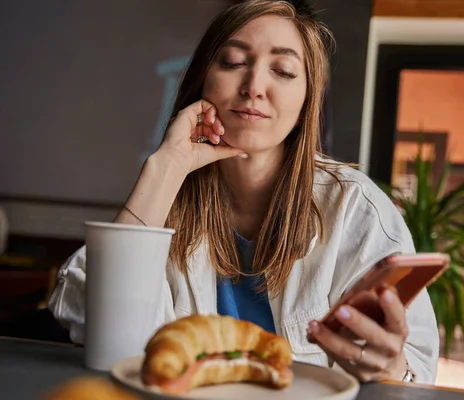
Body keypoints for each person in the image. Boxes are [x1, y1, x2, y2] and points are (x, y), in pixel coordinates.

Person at [48, 0, 439, 384]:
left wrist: (391, 371)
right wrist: (163, 168)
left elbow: (419, 371)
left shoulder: (356, 208)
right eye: (234, 63)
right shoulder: (166, 194)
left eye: (283, 71)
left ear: (307, 102)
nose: (254, 87)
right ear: (203, 79)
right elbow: (87, 316)